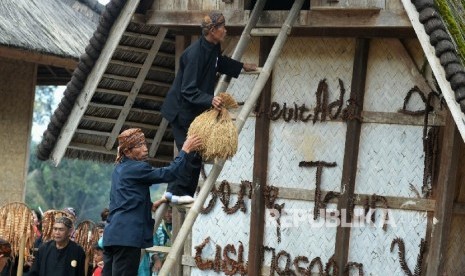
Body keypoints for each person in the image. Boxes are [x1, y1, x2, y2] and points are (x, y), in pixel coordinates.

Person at [160, 11, 257, 204]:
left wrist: (241, 66)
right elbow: (188, 90)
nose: (225, 30)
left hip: (193, 111)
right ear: (213, 30)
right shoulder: (194, 54)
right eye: (222, 27)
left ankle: (176, 194)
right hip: (181, 111)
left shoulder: (213, 47)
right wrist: (210, 99)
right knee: (191, 151)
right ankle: (179, 195)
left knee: (193, 152)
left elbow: (218, 62)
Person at [102, 128, 201, 276]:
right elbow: (169, 173)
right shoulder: (137, 168)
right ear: (128, 152)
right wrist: (185, 151)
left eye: (144, 144)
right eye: (139, 146)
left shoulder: (119, 169)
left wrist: (149, 205)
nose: (145, 148)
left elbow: (123, 198)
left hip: (112, 236)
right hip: (127, 238)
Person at [138, 205, 173, 276]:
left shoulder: (177, 225)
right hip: (159, 261)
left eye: (170, 212)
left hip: (172, 260)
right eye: (164, 212)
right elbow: (153, 244)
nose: (167, 215)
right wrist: (157, 260)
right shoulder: (157, 226)